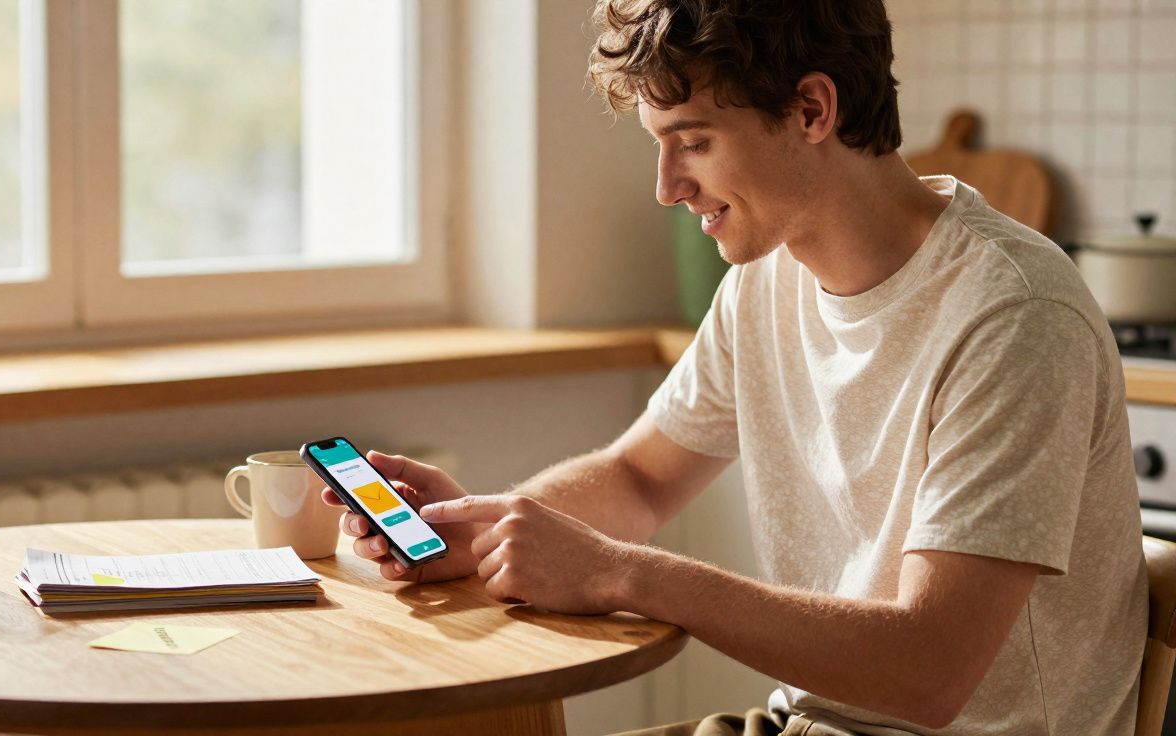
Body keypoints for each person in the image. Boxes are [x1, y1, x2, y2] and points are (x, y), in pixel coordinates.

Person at [321, 1, 1147, 733]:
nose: (666, 186)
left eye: (695, 143)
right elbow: (640, 478)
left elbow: (929, 671)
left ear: (812, 109)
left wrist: (621, 573)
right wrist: (489, 526)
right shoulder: (767, 279)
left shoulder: (1014, 317)